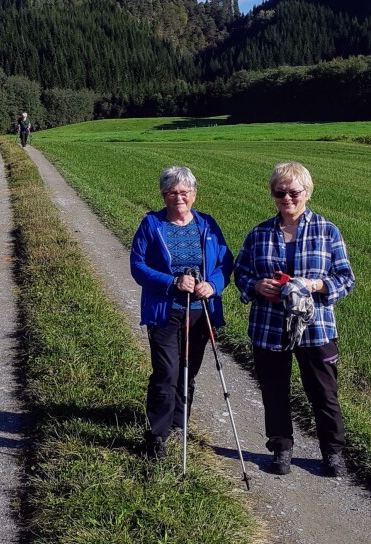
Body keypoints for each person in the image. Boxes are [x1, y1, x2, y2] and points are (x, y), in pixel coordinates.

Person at [233, 161, 355, 477]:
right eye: (280, 192)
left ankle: (332, 453)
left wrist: (314, 285)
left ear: (306, 192)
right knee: (274, 391)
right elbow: (241, 272)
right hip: (268, 327)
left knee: (324, 393)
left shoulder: (327, 231)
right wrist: (256, 285)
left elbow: (345, 278)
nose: (287, 198)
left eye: (294, 192)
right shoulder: (259, 234)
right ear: (273, 194)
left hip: (316, 328)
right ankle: (282, 449)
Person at [130, 166, 233, 459]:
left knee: (189, 371)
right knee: (167, 372)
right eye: (173, 192)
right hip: (165, 311)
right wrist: (172, 281)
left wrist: (212, 285)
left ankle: (179, 423)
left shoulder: (207, 225)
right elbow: (137, 267)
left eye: (185, 191)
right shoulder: (151, 224)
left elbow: (226, 263)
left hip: (201, 312)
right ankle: (157, 435)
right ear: (164, 195)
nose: (179, 197)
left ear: (194, 194)